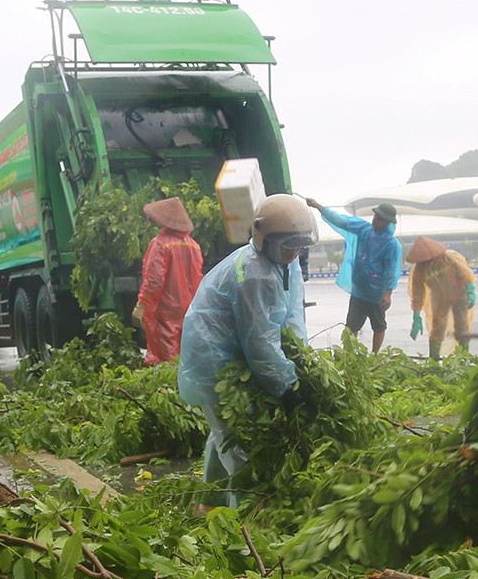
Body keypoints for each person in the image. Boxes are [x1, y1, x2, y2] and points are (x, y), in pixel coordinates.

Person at [177, 194, 314, 502]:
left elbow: (292, 317)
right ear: (264, 238)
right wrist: (287, 386)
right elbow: (260, 342)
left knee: (222, 434)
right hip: (215, 361)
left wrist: (301, 362)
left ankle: (210, 505)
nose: (295, 253)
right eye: (289, 245)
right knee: (239, 441)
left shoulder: (286, 265)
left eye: (299, 245)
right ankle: (250, 516)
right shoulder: (254, 272)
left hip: (235, 355)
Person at [305, 198, 402, 352]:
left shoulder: (391, 244)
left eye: (380, 218)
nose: (376, 219)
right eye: (376, 215)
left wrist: (388, 293)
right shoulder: (364, 229)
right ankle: (349, 355)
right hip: (359, 290)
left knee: (378, 325)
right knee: (352, 325)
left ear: (388, 222)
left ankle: (375, 355)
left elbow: (392, 270)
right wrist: (317, 205)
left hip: (376, 294)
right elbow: (341, 221)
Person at [133, 196, 204, 365]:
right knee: (185, 355)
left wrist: (141, 305)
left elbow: (154, 280)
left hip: (164, 309)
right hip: (188, 307)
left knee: (166, 359)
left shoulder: (160, 244)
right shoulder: (194, 245)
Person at [407, 236, 477, 360]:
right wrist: (416, 315)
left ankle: (464, 358)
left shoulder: (449, 258)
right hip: (438, 298)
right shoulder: (419, 269)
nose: (429, 263)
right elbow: (417, 293)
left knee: (462, 326)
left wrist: (470, 290)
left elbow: (465, 274)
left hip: (459, 294)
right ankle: (433, 359)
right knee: (437, 329)